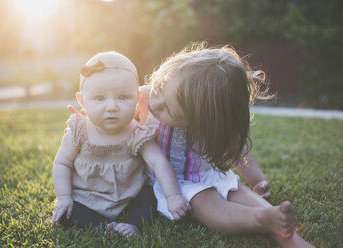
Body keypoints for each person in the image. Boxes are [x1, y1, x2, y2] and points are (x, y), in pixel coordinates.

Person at [69, 43, 313, 247]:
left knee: (237, 189)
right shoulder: (143, 98)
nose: (156, 101)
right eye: (160, 86)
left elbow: (238, 153)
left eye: (168, 109)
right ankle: (260, 219)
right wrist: (90, 120)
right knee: (206, 204)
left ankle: (280, 225)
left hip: (207, 174)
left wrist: (258, 178)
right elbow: (117, 122)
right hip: (172, 183)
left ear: (199, 119)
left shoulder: (208, 124)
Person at [51, 51, 190, 238]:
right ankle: (103, 227)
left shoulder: (136, 133)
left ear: (138, 99)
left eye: (123, 97)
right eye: (99, 98)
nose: (111, 107)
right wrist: (64, 197)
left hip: (130, 195)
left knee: (149, 196)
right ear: (82, 101)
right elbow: (62, 163)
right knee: (67, 213)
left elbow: (158, 163)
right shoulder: (78, 130)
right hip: (86, 197)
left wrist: (173, 196)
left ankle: (133, 224)